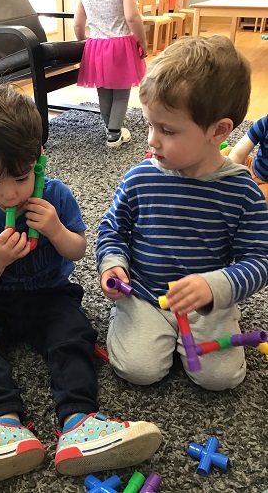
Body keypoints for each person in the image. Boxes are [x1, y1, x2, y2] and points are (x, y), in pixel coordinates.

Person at [0, 84, 162, 493]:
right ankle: (3, 425)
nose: (10, 194)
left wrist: (55, 228)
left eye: (20, 178)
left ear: (39, 160)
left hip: (50, 295)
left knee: (72, 334)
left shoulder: (55, 196)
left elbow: (77, 249)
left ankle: (80, 422)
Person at [96, 35, 268, 391]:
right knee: (137, 370)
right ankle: (132, 321)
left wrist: (214, 286)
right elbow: (113, 228)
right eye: (149, 124)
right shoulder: (140, 178)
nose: (151, 140)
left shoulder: (243, 192)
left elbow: (260, 260)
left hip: (207, 305)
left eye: (167, 130)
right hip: (144, 293)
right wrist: (113, 263)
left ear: (218, 131)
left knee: (221, 379)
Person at [73, 0, 148, 147]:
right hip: (120, 46)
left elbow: (78, 24)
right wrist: (142, 41)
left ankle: (110, 127)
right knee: (121, 93)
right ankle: (114, 134)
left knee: (104, 91)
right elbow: (132, 17)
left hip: (96, 46)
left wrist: (83, 41)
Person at [221, 114, 268, 203]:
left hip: (266, 184)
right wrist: (224, 175)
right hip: (251, 167)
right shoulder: (265, 122)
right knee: (227, 152)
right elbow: (238, 154)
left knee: (262, 199)